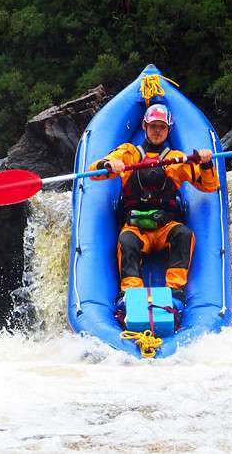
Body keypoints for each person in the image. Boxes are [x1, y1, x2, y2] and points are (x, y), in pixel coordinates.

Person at [88, 103, 220, 307]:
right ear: (144, 126)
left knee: (184, 234)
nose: (157, 131)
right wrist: (109, 165)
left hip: (165, 227)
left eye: (162, 127)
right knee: (126, 240)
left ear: (168, 129)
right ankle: (130, 293)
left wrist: (206, 163)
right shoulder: (129, 153)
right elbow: (94, 171)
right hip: (136, 227)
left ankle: (175, 291)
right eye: (153, 126)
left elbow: (210, 186)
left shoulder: (176, 159)